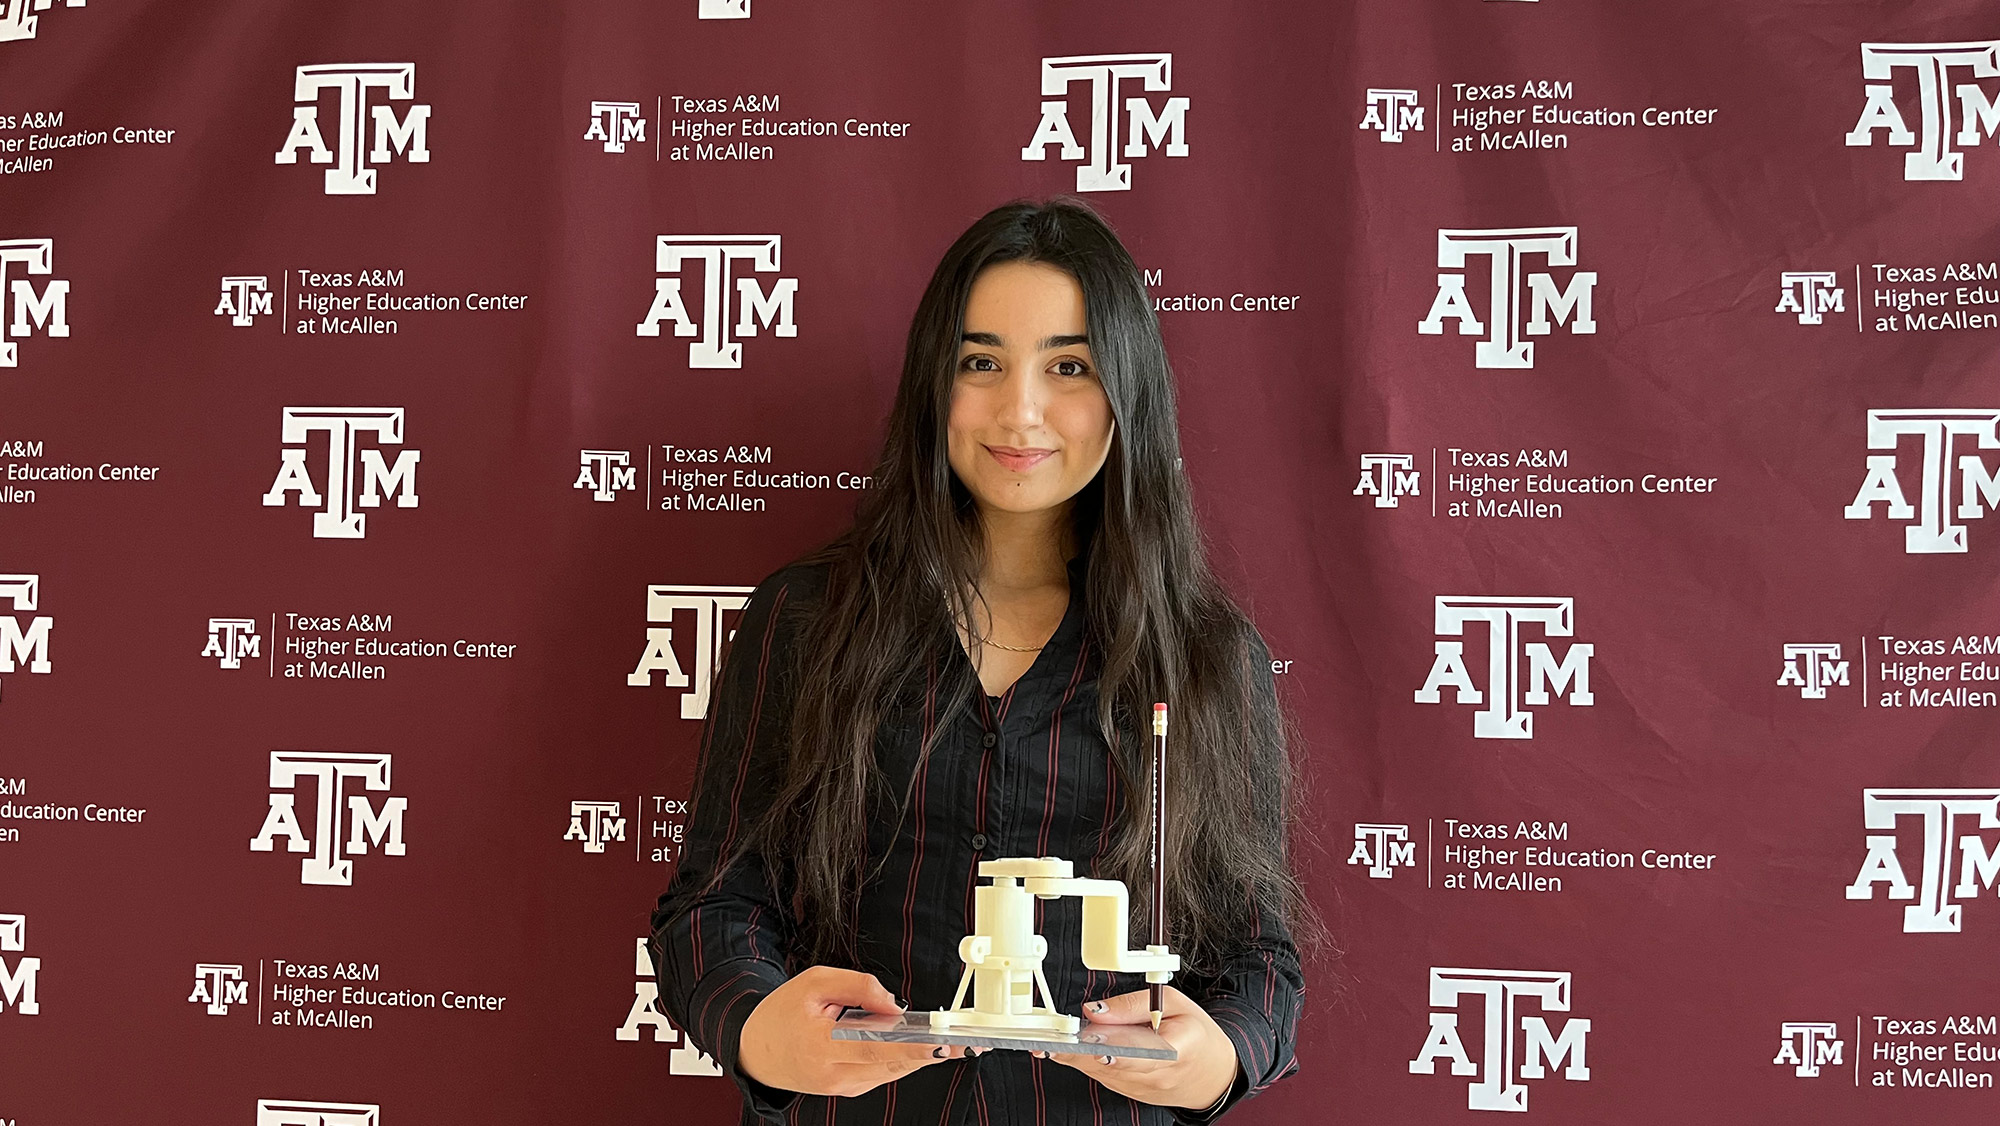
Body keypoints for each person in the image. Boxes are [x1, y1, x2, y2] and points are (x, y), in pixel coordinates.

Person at [650, 199, 1308, 1125]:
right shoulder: (806, 620)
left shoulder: (1204, 660)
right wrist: (762, 1029)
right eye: (982, 363)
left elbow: (1258, 959)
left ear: (1128, 392)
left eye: (1069, 366)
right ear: (934, 381)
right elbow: (716, 904)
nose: (1022, 409)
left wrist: (1219, 1059)